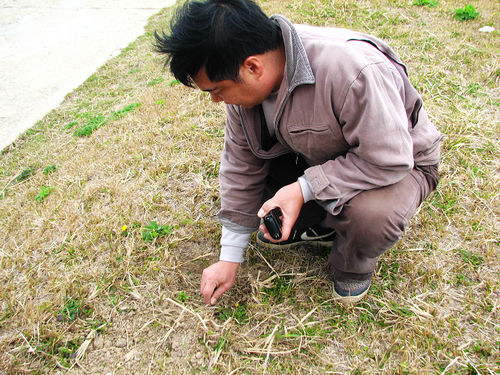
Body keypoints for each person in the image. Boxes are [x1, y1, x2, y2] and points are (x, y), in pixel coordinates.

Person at [154, 0, 441, 305]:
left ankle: (351, 263)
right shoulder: (244, 93)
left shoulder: (352, 70)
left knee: (370, 216)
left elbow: (390, 160)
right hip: (315, 156)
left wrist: (304, 189)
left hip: (399, 165)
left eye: (216, 89)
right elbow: (241, 164)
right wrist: (230, 255)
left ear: (253, 66)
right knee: (259, 200)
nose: (215, 100)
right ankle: (323, 222)